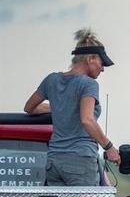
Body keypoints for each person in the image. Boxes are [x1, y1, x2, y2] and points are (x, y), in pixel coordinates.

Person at [24, 28, 121, 186]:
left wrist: (60, 106)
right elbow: (87, 120)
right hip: (80, 161)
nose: (102, 68)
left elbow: (30, 108)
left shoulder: (52, 80)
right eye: (101, 63)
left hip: (53, 161)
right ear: (90, 58)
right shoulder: (89, 84)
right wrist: (109, 147)